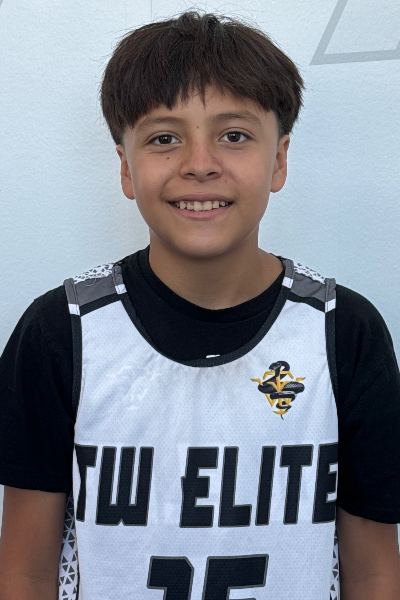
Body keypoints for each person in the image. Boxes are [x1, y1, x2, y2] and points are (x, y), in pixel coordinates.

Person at [0, 9, 399, 600]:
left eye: (233, 135)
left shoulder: (344, 332)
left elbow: (372, 572)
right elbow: (26, 572)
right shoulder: (61, 331)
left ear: (279, 160)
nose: (200, 163)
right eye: (164, 138)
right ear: (126, 168)